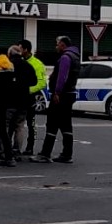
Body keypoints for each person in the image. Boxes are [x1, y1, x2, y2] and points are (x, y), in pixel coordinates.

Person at [32, 36, 81, 164]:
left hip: (61, 95)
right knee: (66, 125)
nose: (56, 47)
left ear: (63, 45)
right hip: (70, 94)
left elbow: (62, 76)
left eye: (57, 44)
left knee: (52, 123)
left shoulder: (65, 57)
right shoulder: (75, 57)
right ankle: (67, 154)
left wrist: (57, 92)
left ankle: (45, 154)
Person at [6, 45, 36, 160]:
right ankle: (16, 149)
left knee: (6, 125)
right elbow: (34, 81)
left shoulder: (8, 65)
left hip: (10, 100)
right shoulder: (28, 66)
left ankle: (4, 149)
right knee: (20, 126)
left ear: (10, 54)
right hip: (24, 100)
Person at [19, 39, 48, 156]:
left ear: (26, 50)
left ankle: (30, 147)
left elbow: (41, 83)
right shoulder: (18, 61)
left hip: (30, 97)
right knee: (16, 124)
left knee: (31, 123)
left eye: (20, 48)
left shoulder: (37, 64)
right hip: (18, 97)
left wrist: (27, 90)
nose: (18, 50)